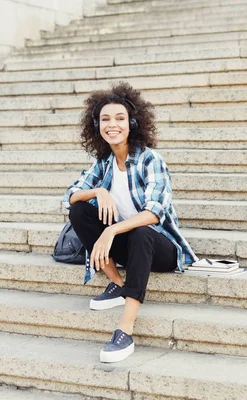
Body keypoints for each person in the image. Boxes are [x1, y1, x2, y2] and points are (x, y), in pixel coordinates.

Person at [61, 81, 197, 363]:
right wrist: (98, 191)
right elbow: (70, 196)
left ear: (132, 123)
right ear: (96, 125)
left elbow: (154, 213)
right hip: (128, 243)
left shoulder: (150, 160)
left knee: (141, 230)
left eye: (120, 118)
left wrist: (112, 229)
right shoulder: (104, 163)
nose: (113, 124)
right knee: (79, 211)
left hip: (161, 248)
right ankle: (116, 284)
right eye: (105, 119)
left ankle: (125, 328)